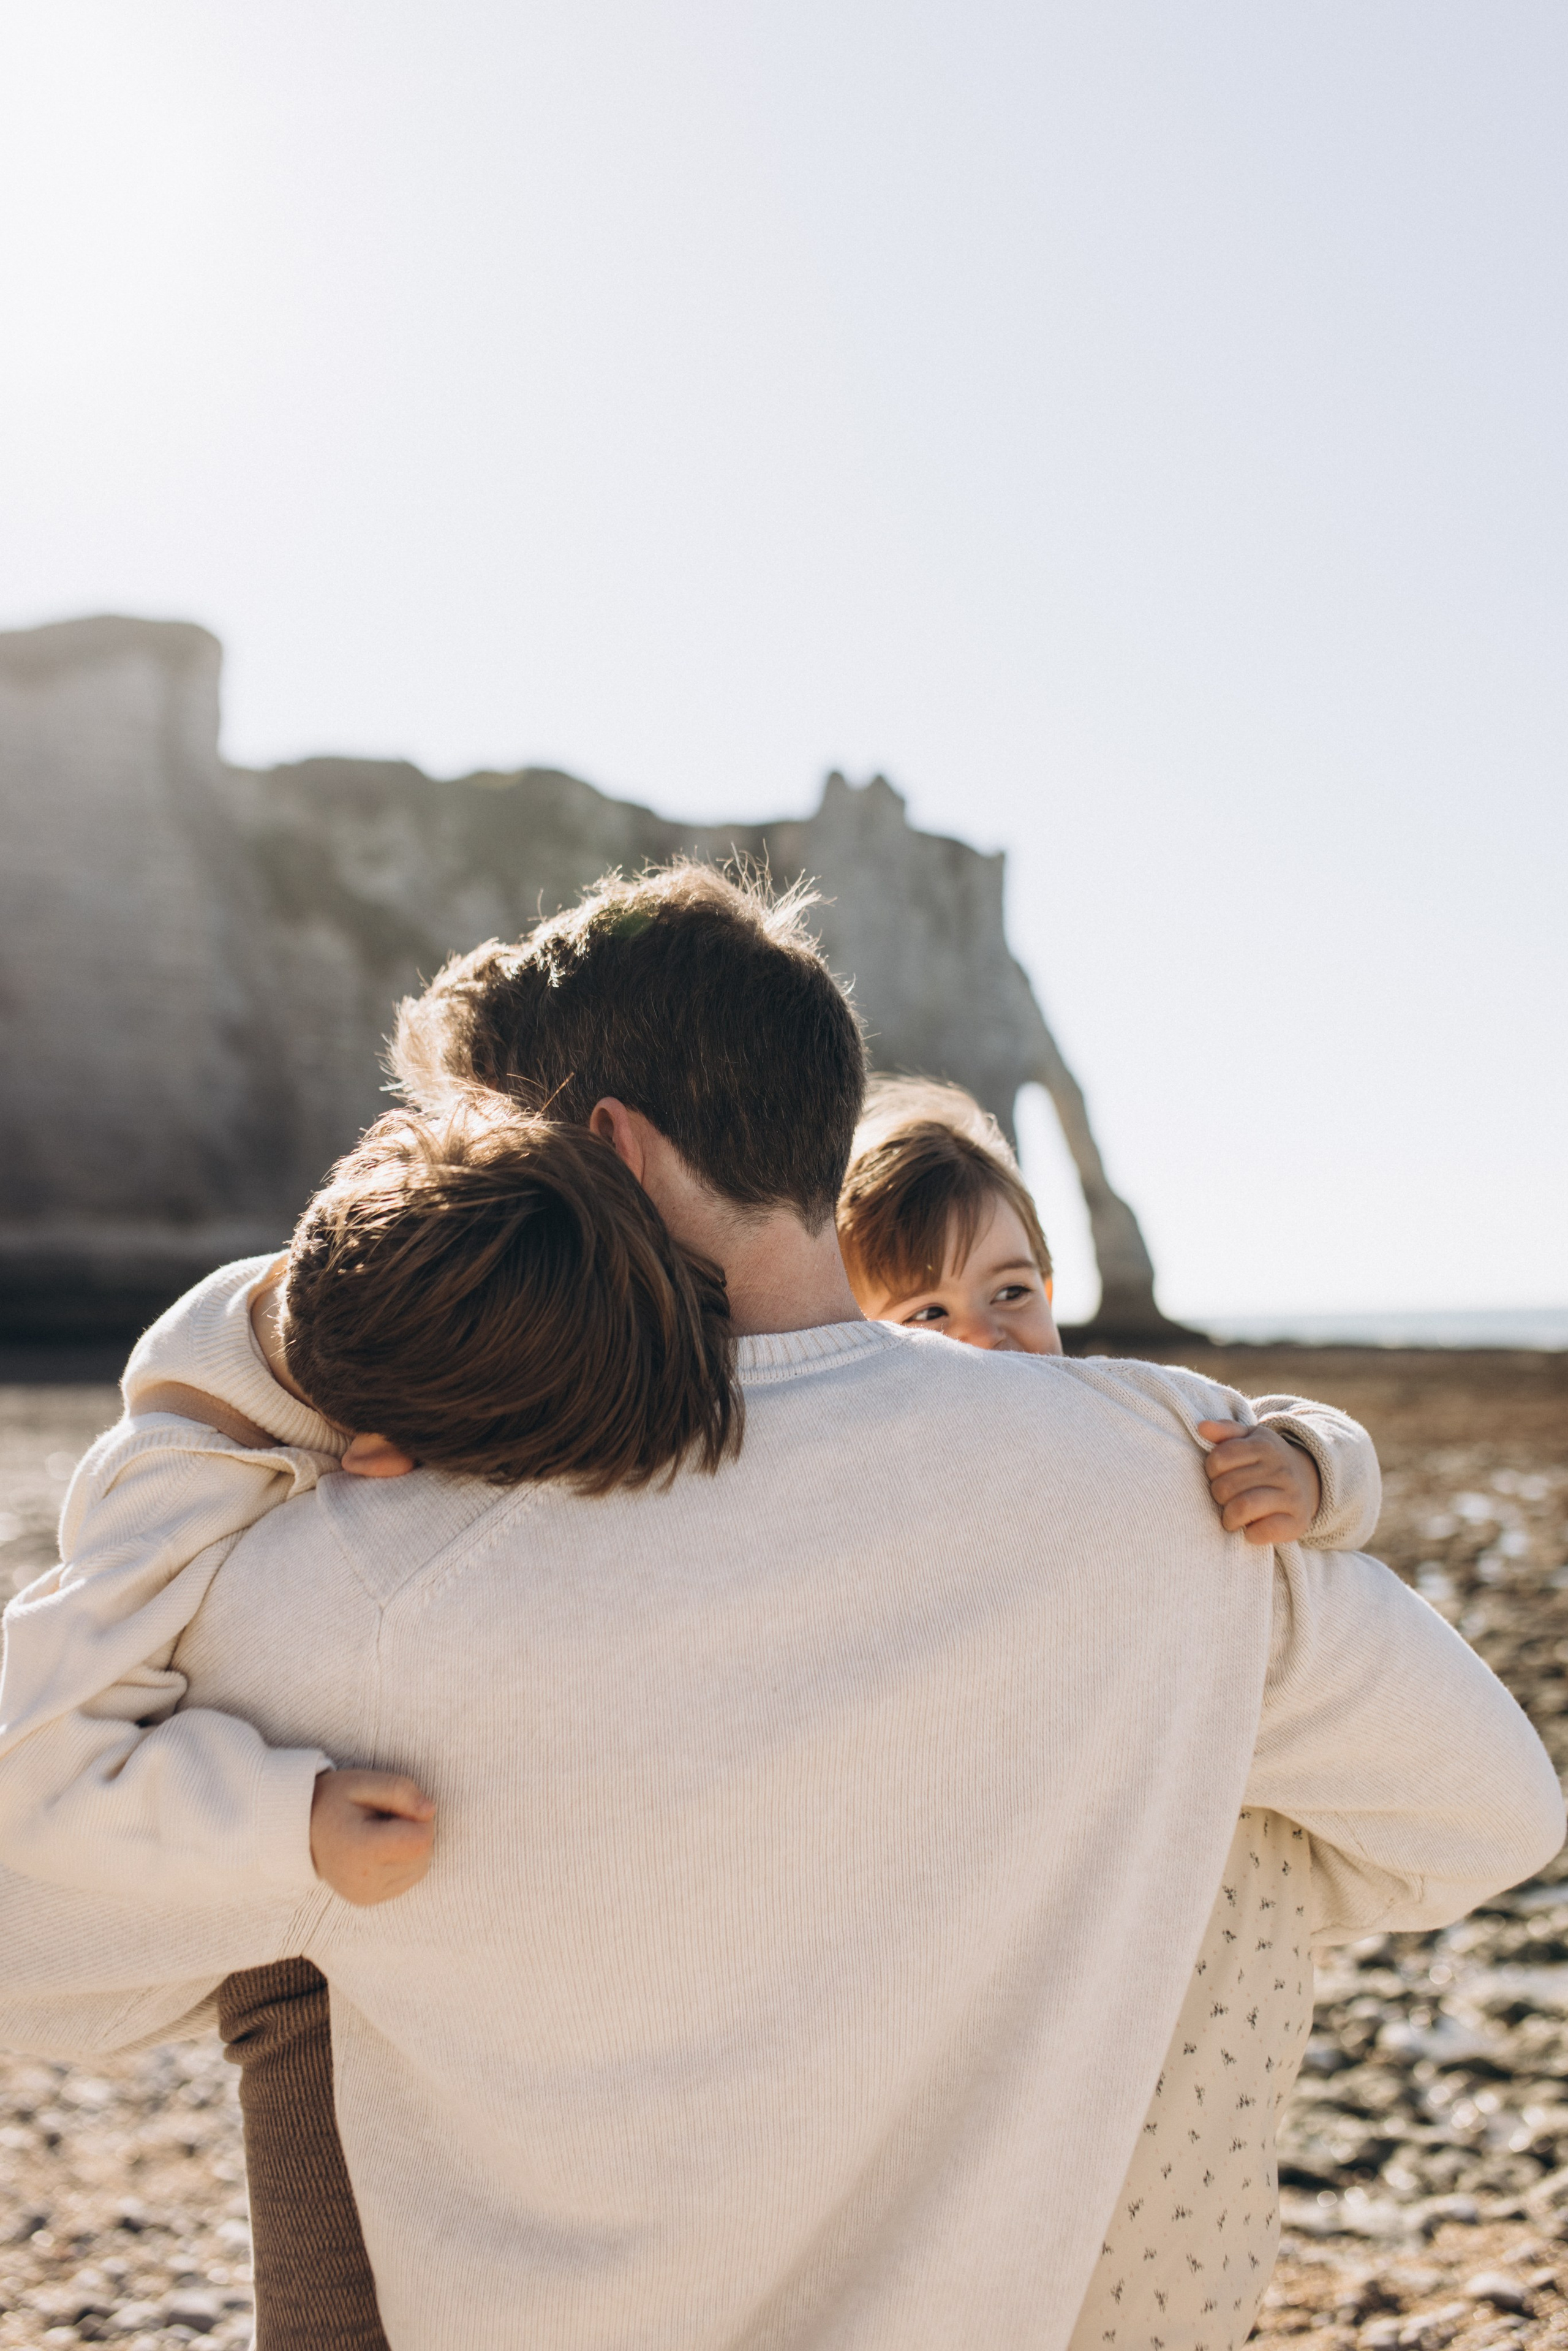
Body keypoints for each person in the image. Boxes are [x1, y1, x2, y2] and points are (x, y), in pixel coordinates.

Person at [0, 864, 1559, 2351]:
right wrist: (1104, 1857)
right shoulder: (1164, 1485)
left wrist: (246, 1357)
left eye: (472, 1151)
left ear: (607, 1154)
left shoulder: (362, 1572)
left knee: (291, 1969)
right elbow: (1485, 1813)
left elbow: (38, 1951)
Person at [0, 1089, 739, 2349]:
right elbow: (27, 1769)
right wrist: (286, 1825)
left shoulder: (389, 1280)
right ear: (389, 1467)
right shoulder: (162, 1494)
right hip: (127, 1958)